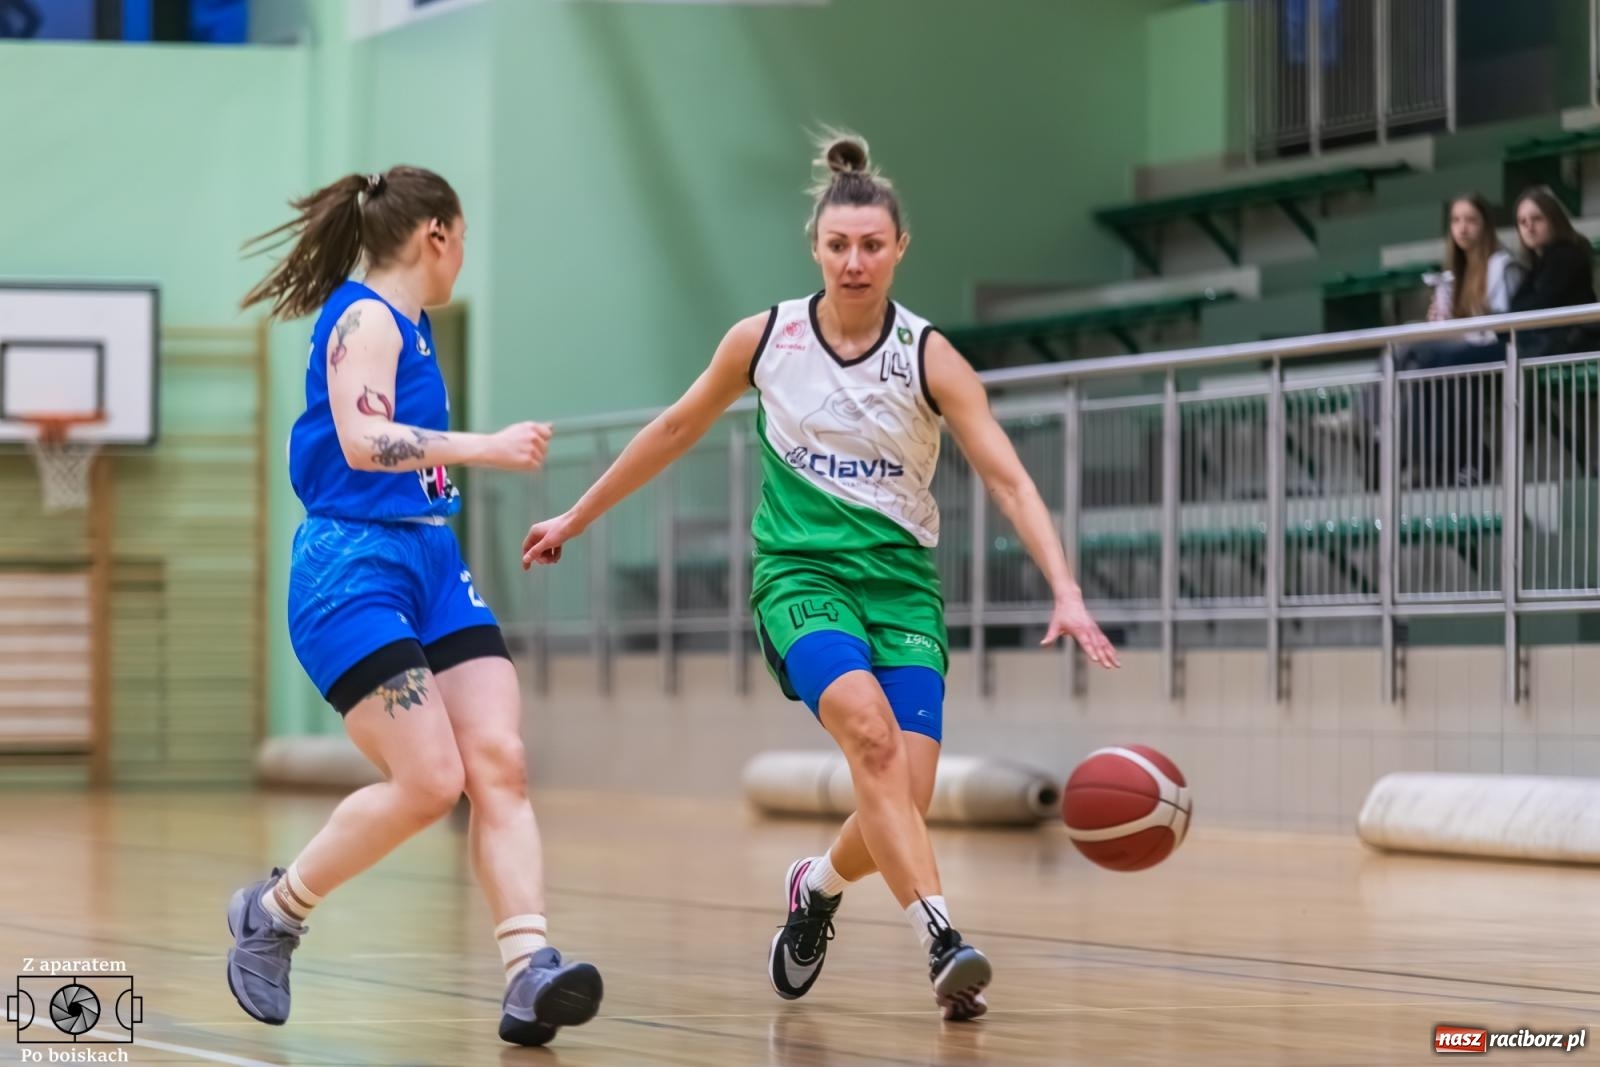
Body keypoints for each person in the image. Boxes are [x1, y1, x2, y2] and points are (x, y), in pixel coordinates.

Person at [520, 133, 1120, 1021]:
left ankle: (818, 889)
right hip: (800, 578)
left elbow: (1008, 476)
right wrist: (576, 515)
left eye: (872, 245)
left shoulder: (929, 356)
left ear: (900, 248)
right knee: (871, 741)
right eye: (839, 244)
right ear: (816, 246)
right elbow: (674, 430)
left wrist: (1065, 588)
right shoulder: (766, 340)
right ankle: (943, 936)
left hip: (902, 587)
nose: (854, 260)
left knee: (905, 798)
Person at [228, 166, 602, 1047]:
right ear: (437, 234)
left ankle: (528, 971)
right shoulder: (365, 318)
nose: (463, 256)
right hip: (349, 568)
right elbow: (362, 442)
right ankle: (274, 912)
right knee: (432, 781)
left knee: (499, 759)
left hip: (428, 556)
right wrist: (489, 447)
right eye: (463, 239)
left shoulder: (416, 324)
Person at [1401, 194, 1523, 485]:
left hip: (1495, 347)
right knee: (1412, 358)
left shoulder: (1500, 264)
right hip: (1463, 346)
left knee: (1427, 358)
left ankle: (1438, 453)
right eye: (1456, 220)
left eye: (1470, 220)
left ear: (1485, 225)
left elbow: (1500, 323)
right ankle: (1436, 456)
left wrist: (1455, 327)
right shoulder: (1455, 271)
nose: (1463, 228)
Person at [1510, 185, 1599, 360]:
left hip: (1573, 347)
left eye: (1537, 219)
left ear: (1553, 220)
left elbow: (1540, 304)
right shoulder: (1539, 262)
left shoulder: (1565, 254)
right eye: (1522, 222)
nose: (1529, 227)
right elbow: (1518, 305)